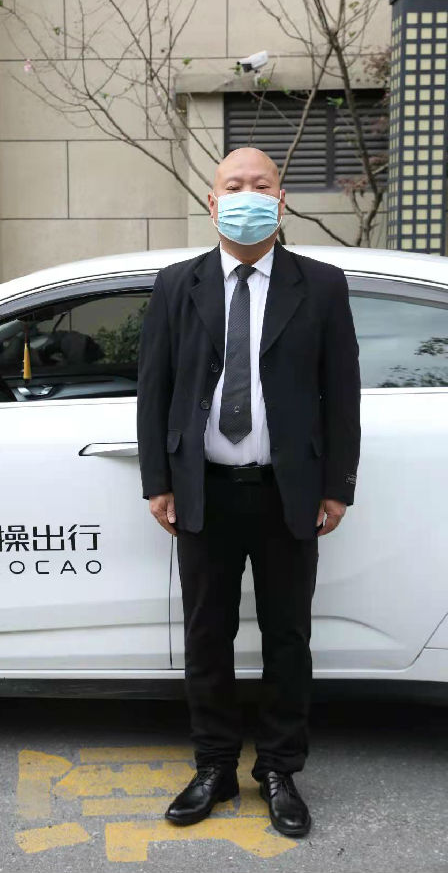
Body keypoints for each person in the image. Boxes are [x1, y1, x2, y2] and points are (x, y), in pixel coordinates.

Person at [136, 147, 361, 839]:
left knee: (288, 636)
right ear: (213, 202)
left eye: (260, 185)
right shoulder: (177, 284)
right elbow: (154, 389)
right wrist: (158, 481)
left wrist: (337, 485)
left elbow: (342, 392)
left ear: (281, 200)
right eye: (233, 185)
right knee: (208, 635)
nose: (247, 195)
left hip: (286, 491)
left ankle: (280, 769)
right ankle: (214, 765)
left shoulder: (319, 285)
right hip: (203, 491)